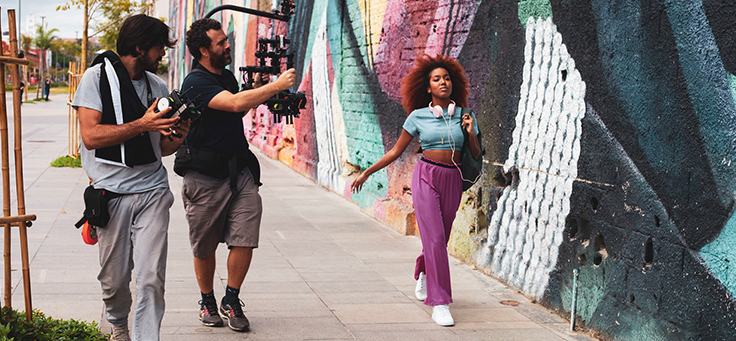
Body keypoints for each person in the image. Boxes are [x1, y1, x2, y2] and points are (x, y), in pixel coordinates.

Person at [176, 18, 295, 332]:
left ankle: (231, 298)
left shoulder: (225, 75)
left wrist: (254, 91)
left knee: (245, 237)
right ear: (204, 50)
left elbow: (238, 108)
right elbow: (232, 103)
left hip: (238, 170)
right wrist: (277, 85)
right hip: (203, 176)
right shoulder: (195, 82)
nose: (227, 45)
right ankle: (207, 301)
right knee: (204, 246)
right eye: (221, 42)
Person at [72, 14, 185, 341]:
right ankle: (118, 325)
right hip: (112, 195)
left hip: (152, 193)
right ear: (139, 47)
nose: (163, 53)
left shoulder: (157, 86)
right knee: (114, 280)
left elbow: (160, 148)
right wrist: (142, 124)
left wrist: (179, 135)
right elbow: (91, 136)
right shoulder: (95, 79)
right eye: (159, 47)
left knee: (151, 278)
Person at [350, 54, 480, 327]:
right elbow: (396, 151)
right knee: (433, 240)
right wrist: (367, 171)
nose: (443, 82)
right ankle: (440, 302)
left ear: (452, 84)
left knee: (439, 240)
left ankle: (423, 271)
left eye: (446, 78)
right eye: (436, 79)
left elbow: (476, 155)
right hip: (426, 177)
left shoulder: (465, 115)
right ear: (428, 87)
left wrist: (470, 133)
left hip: (453, 178)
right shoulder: (418, 116)